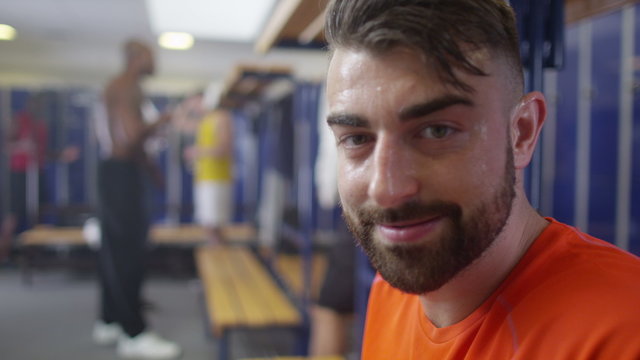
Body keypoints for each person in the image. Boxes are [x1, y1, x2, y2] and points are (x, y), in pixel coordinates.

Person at [323, 0, 640, 358]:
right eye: (357, 138)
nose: (386, 189)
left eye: (437, 131)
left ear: (521, 132)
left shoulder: (624, 334)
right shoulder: (392, 289)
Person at [92, 39, 180, 359]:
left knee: (113, 249)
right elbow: (129, 137)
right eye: (150, 55)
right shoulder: (129, 86)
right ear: (136, 57)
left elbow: (124, 140)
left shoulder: (117, 86)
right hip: (120, 175)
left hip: (114, 173)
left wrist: (154, 173)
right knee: (128, 253)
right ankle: (134, 332)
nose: (154, 61)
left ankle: (110, 319)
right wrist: (164, 119)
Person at [0, 93, 78, 262]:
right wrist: (22, 145)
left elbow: (42, 153)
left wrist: (61, 156)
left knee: (40, 211)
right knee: (14, 213)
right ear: (29, 104)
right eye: (36, 103)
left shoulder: (41, 126)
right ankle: (3, 253)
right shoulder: (19, 120)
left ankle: (36, 253)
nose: (39, 107)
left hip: (38, 172)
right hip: (20, 172)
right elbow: (7, 146)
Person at [183, 85, 234, 245]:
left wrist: (198, 152)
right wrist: (186, 106)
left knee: (214, 227)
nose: (195, 108)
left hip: (217, 179)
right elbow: (179, 123)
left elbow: (224, 148)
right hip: (204, 178)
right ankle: (217, 259)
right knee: (208, 226)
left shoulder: (221, 117)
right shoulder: (204, 120)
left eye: (196, 103)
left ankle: (221, 262)